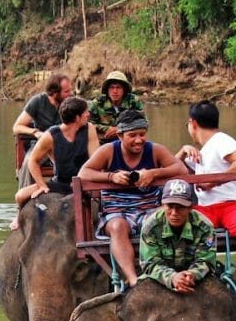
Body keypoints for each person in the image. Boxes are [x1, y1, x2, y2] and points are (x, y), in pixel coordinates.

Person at [75, 109, 187, 288]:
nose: (138, 140)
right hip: (117, 211)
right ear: (120, 135)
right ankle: (133, 279)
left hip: (149, 208)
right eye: (132, 135)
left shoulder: (154, 150)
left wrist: (153, 173)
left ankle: (168, 270)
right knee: (118, 227)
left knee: (164, 218)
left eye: (142, 134)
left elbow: (180, 168)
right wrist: (111, 177)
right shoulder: (108, 151)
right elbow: (83, 173)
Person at [175, 100, 236, 296]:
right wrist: (182, 152)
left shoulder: (222, 140)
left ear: (192, 123)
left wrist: (213, 182)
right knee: (182, 230)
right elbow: (172, 168)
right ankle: (186, 280)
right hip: (206, 207)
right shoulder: (201, 150)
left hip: (233, 203)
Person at [139, 179, 218, 293]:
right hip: (160, 278)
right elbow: (150, 263)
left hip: (194, 278)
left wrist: (192, 275)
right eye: (169, 206)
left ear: (190, 207)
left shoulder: (204, 226)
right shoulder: (150, 226)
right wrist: (172, 278)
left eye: (181, 207)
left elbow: (206, 261)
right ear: (163, 205)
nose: (174, 213)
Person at [15, 96, 96, 206]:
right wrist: (42, 185)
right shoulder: (50, 136)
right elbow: (33, 160)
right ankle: (22, 216)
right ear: (77, 118)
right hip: (61, 183)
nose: (88, 114)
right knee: (20, 196)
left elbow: (95, 159)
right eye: (85, 112)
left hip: (84, 182)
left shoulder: (89, 128)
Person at [11, 73, 73, 189]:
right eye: (66, 91)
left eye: (70, 90)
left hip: (64, 145)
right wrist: (35, 132)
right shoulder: (38, 101)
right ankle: (24, 196)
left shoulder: (70, 103)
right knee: (29, 161)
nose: (70, 94)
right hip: (41, 145)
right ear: (55, 93)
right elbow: (17, 127)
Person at [88, 70, 145, 143]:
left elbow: (143, 123)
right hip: (102, 141)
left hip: (129, 141)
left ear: (124, 89)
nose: (115, 91)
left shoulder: (133, 101)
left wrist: (119, 129)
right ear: (107, 90)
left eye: (119, 87)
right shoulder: (98, 103)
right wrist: (107, 129)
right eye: (112, 87)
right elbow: (88, 125)